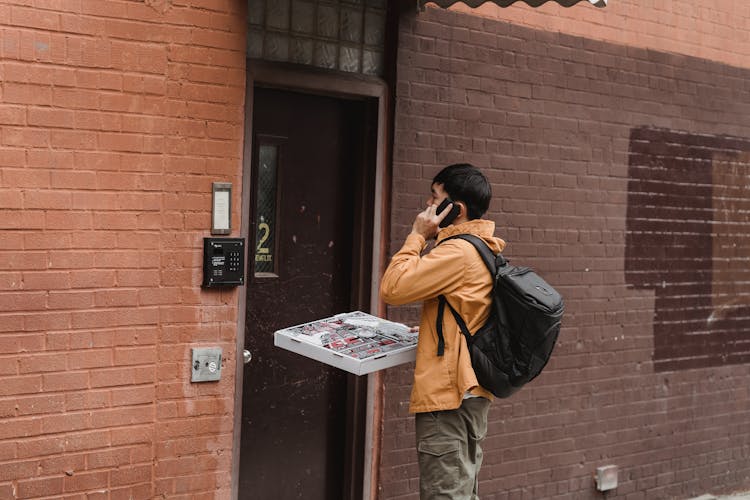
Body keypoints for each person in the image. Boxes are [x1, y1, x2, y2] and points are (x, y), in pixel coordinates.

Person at [380, 163, 506, 500]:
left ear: (457, 209)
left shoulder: (458, 252)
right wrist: (432, 329)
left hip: (449, 398)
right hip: (470, 392)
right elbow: (468, 311)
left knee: (446, 495)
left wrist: (418, 235)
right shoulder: (483, 247)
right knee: (463, 492)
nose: (427, 207)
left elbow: (392, 288)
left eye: (435, 199)